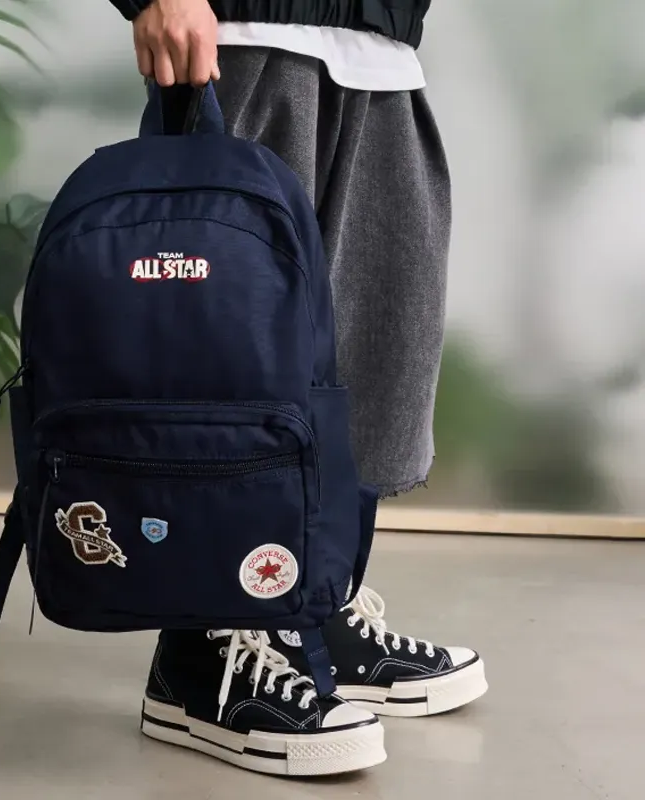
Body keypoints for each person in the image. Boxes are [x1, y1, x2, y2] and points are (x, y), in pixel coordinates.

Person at [108, 0, 489, 775]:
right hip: (244, 41)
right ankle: (200, 659)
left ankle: (312, 616)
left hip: (381, 51)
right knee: (226, 355)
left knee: (375, 355)